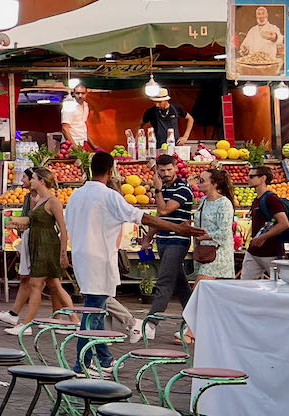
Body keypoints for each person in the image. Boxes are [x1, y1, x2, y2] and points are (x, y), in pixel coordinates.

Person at [65, 152, 202, 376]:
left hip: (82, 258)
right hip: (99, 260)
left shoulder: (76, 196)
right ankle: (83, 364)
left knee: (95, 310)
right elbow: (143, 218)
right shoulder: (108, 196)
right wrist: (179, 228)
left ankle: (104, 360)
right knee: (94, 314)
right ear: (111, 171)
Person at [5, 167, 72, 336]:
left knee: (35, 284)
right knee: (55, 286)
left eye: (33, 178)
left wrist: (63, 254)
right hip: (37, 245)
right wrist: (18, 224)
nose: (30, 180)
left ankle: (25, 325)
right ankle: (75, 322)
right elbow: (34, 222)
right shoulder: (38, 200)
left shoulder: (53, 201)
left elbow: (63, 229)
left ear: (41, 181)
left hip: (47, 246)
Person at [145, 154, 197, 332]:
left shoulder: (183, 188)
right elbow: (159, 218)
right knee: (180, 283)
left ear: (175, 167)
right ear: (157, 170)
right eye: (162, 170)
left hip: (178, 241)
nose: (166, 173)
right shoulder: (162, 189)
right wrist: (148, 237)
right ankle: (196, 320)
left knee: (165, 280)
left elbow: (164, 210)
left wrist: (157, 190)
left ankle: (151, 323)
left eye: (169, 169)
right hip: (163, 240)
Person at [244, 164, 289, 279]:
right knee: (245, 285)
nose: (247, 179)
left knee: (279, 285)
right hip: (254, 251)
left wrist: (263, 237)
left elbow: (284, 223)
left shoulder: (271, 198)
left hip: (272, 252)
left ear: (263, 178)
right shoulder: (257, 199)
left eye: (251, 176)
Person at [191, 167, 236, 281]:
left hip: (218, 254)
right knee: (211, 293)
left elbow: (224, 232)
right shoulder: (203, 201)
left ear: (214, 184)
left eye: (202, 181)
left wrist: (205, 235)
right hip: (203, 252)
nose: (198, 184)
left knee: (199, 290)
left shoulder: (224, 203)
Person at [61, 82, 92, 152]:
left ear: (87, 93)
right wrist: (74, 147)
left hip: (81, 143)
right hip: (70, 145)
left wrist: (93, 146)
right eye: (77, 93)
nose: (80, 95)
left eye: (83, 93)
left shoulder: (86, 105)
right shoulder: (69, 105)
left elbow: (83, 125)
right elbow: (64, 128)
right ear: (74, 93)